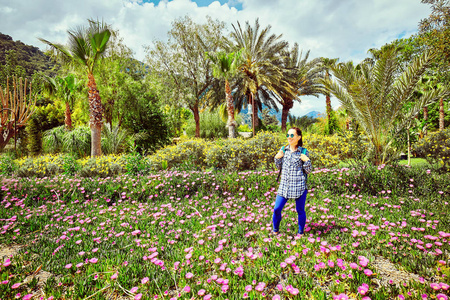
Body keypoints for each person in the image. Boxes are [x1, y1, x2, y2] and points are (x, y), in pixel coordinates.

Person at [273, 127, 312, 237]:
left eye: (292, 135)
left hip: (299, 186)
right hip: (284, 186)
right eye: (288, 135)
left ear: (298, 137)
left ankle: (300, 233)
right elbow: (279, 167)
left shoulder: (303, 152)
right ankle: (275, 231)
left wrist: (307, 161)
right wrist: (277, 158)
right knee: (276, 209)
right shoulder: (283, 150)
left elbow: (308, 171)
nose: (289, 138)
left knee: (300, 210)